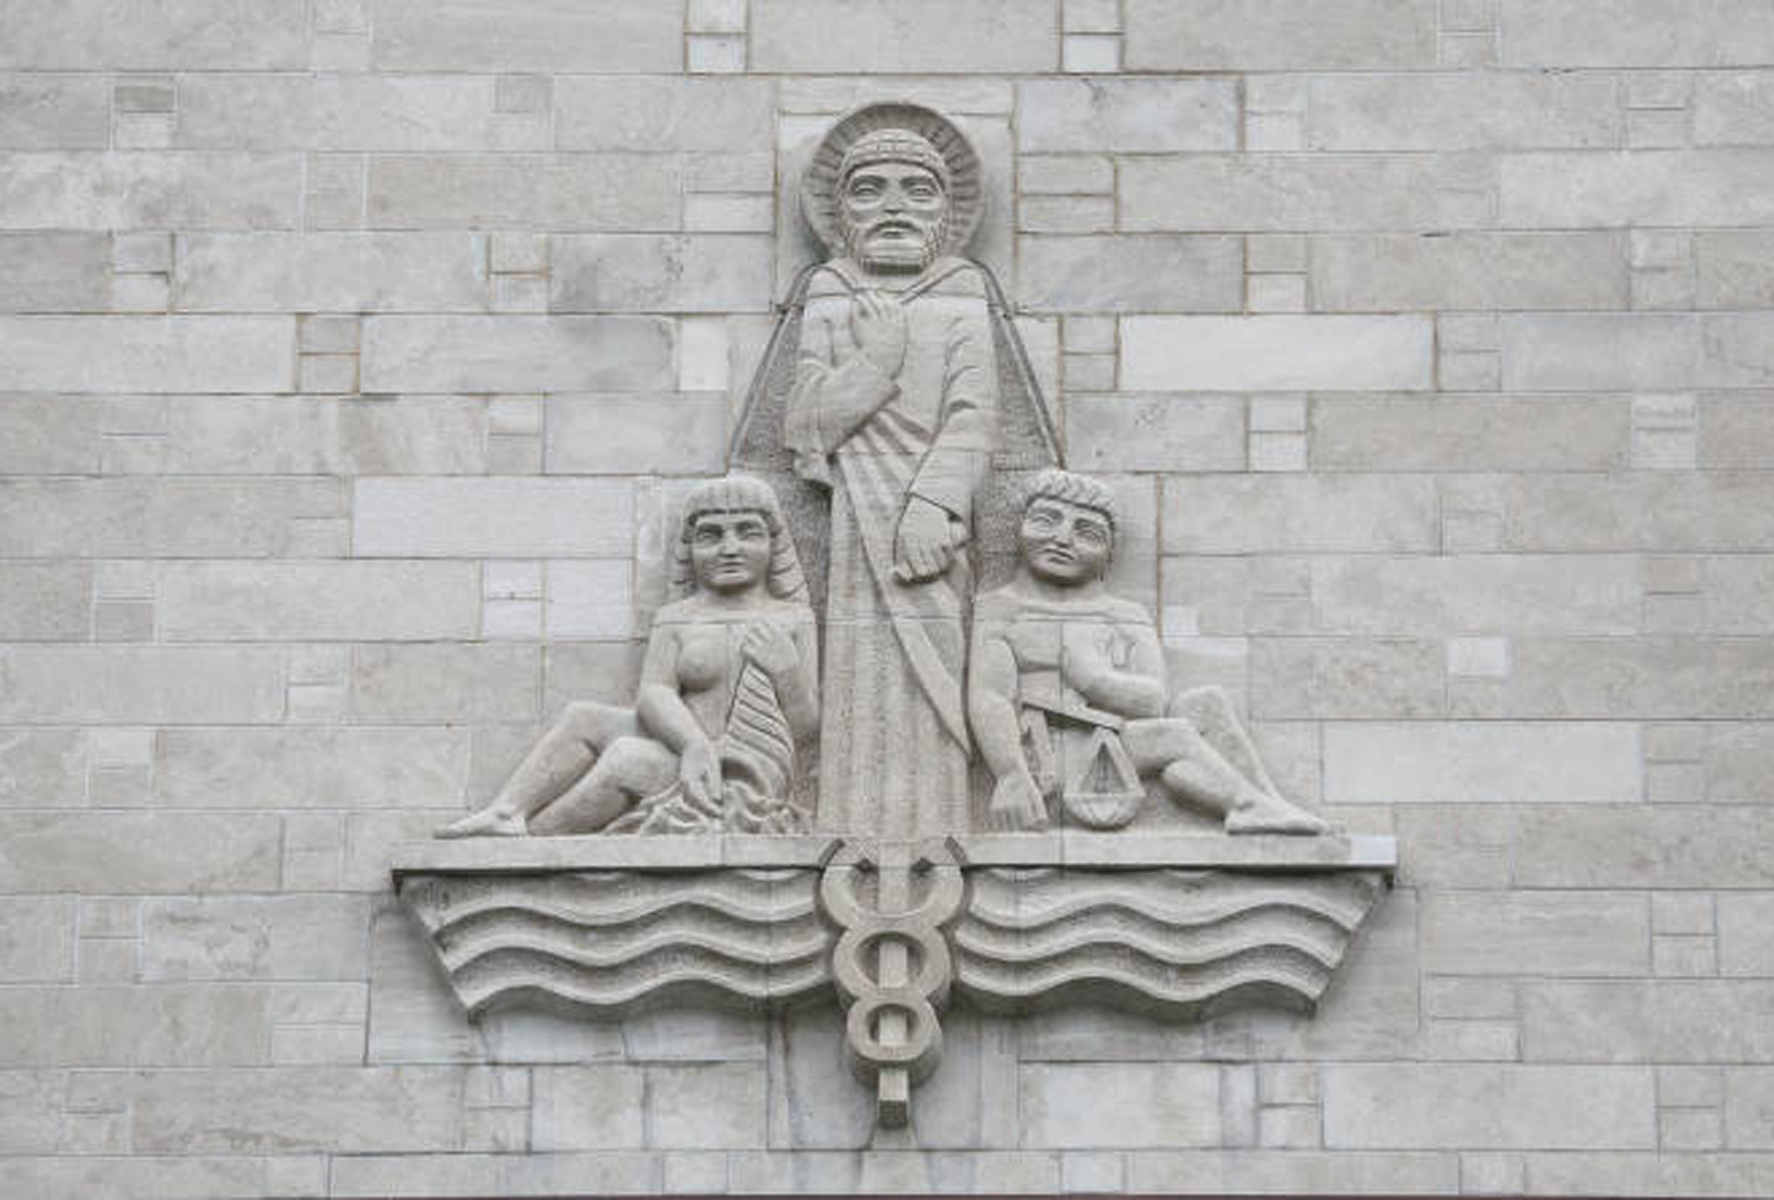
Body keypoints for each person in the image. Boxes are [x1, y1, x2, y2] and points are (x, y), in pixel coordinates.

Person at [784, 122, 998, 837]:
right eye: (870, 190)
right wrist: (876, 362)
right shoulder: (829, 289)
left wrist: (933, 504)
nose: (894, 206)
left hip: (933, 524)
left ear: (947, 212)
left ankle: (938, 829)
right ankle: (851, 831)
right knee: (860, 663)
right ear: (840, 212)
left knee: (934, 658)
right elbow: (806, 422)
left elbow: (975, 415)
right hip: (856, 511)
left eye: (918, 190)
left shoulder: (962, 288)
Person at [438, 474, 818, 837]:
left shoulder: (792, 618)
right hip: (686, 749)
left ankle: (536, 839)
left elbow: (805, 728)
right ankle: (507, 812)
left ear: (773, 543)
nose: (729, 549)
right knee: (582, 716)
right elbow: (654, 692)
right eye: (711, 535)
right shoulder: (676, 617)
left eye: (747, 532)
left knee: (626, 758)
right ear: (689, 548)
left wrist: (786, 670)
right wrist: (692, 744)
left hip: (741, 771)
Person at [968, 469, 1327, 835]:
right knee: (1174, 737)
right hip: (1051, 756)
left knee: (1206, 702)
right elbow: (989, 697)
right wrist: (1010, 775)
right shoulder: (1000, 609)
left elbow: (1153, 701)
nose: (1062, 539)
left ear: (1109, 553)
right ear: (1020, 528)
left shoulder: (1124, 614)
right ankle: (1246, 805)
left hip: (1115, 740)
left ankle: (1267, 803)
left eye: (1087, 533)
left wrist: (1093, 678)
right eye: (1046, 521)